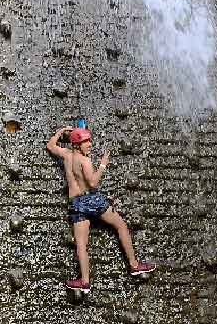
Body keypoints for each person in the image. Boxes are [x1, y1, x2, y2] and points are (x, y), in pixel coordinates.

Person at [46, 126, 156, 293]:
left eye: (89, 141)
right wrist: (103, 165)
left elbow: (51, 146)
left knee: (81, 245)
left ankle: (84, 281)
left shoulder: (66, 155)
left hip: (75, 203)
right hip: (91, 200)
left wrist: (62, 130)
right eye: (85, 142)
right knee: (121, 226)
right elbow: (93, 183)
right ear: (77, 145)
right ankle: (134, 265)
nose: (90, 144)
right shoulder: (85, 161)